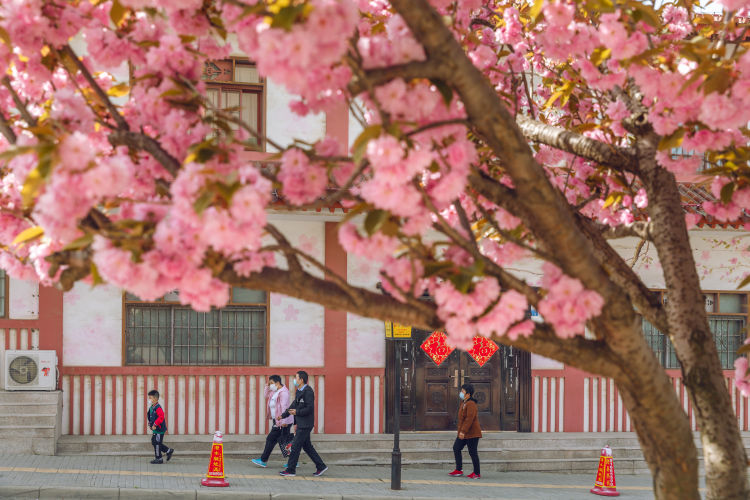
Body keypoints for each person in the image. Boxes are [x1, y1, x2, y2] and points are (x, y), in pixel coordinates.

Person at [277, 370, 327, 477]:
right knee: (307, 446)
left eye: (296, 378)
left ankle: (290, 470)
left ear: (301, 379)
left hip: (305, 424)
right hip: (301, 423)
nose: (294, 380)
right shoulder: (299, 390)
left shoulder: (308, 392)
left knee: (295, 447)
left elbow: (309, 408)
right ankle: (321, 466)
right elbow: (294, 404)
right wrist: (284, 415)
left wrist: (297, 412)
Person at [251, 375, 294, 468]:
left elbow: (284, 407)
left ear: (277, 383)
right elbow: (265, 395)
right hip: (277, 420)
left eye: (271, 383)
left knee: (273, 440)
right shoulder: (274, 391)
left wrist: (283, 421)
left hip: (283, 421)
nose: (270, 385)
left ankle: (263, 460)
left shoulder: (284, 393)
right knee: (282, 441)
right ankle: (293, 461)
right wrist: (267, 386)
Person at [448, 383, 481, 479]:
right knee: (456, 448)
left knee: (473, 452)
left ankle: (476, 473)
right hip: (464, 433)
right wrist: (461, 432)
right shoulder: (464, 402)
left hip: (472, 433)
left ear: (468, 394)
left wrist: (462, 431)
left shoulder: (471, 404)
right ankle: (458, 470)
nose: (461, 393)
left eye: (463, 391)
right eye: (461, 391)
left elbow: (469, 419)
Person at [146, 389, 174, 464]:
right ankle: (168, 451)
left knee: (157, 443)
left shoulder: (158, 407)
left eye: (150, 398)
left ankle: (159, 458)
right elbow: (150, 416)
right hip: (155, 429)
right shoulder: (152, 407)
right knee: (154, 442)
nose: (149, 400)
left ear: (155, 399)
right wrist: (150, 424)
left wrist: (155, 425)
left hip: (159, 429)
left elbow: (161, 417)